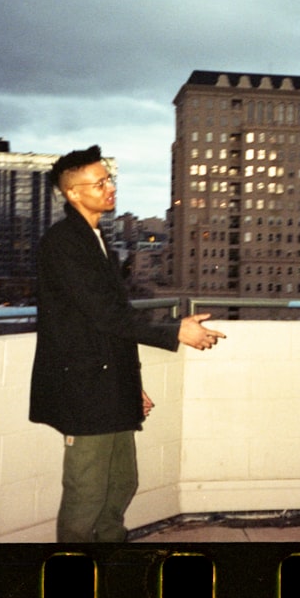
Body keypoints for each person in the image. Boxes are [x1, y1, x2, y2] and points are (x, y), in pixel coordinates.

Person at [30, 145, 225, 542]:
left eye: (109, 179)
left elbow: (106, 325)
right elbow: (105, 316)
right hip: (84, 389)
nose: (110, 188)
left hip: (107, 385)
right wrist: (175, 331)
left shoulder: (95, 238)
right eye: (99, 183)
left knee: (120, 484)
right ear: (73, 193)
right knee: (86, 494)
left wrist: (129, 386)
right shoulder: (65, 242)